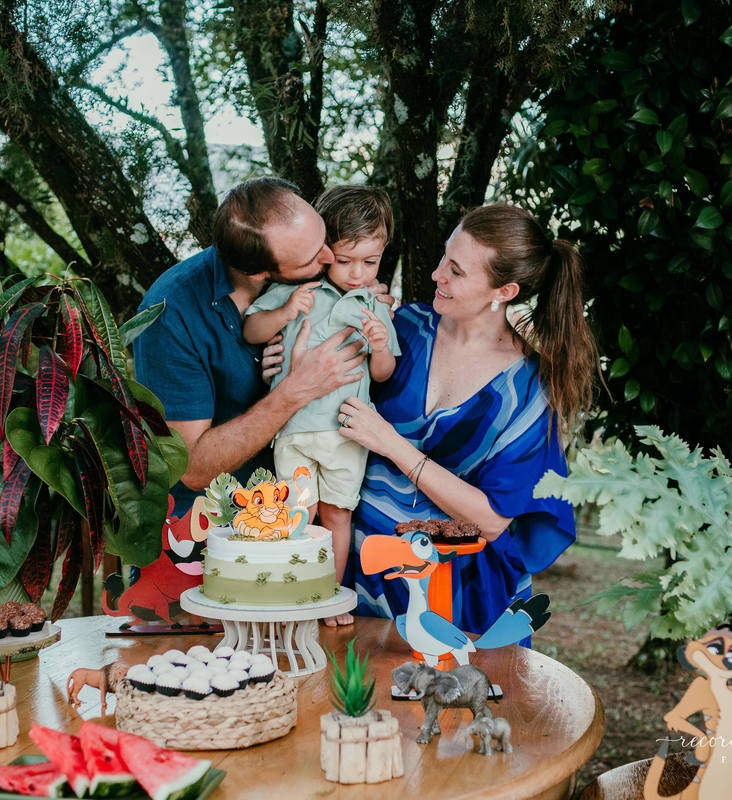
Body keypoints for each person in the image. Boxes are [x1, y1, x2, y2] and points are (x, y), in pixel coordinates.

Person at [337, 203, 598, 640]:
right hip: (362, 573)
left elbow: (494, 520)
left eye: (456, 271)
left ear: (505, 291)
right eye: (444, 257)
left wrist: (391, 443)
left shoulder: (529, 390)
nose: (437, 274)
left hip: (454, 593)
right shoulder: (403, 327)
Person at [133, 177, 368, 518]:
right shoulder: (172, 315)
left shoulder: (311, 269)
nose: (330, 256)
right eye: (312, 258)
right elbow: (192, 468)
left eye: (323, 238)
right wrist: (295, 390)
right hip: (212, 520)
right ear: (260, 273)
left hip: (306, 498)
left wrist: (369, 301)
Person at [242, 186, 400, 626]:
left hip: (347, 432)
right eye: (345, 260)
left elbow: (383, 373)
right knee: (298, 513)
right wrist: (286, 311)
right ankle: (296, 597)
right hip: (295, 428)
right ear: (325, 251)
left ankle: (329, 597)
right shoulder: (298, 289)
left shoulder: (373, 304)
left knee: (337, 515)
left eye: (370, 262)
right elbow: (252, 330)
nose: (357, 273)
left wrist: (380, 345)